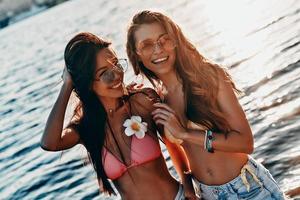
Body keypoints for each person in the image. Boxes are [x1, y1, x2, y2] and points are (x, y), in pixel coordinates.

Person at [126, 10, 286, 199]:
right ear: (136, 55)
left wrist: (186, 133)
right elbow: (176, 150)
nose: (158, 49)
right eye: (147, 45)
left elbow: (245, 142)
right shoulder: (157, 101)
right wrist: (187, 185)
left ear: (175, 40)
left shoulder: (209, 77)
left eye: (164, 39)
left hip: (248, 188)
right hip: (207, 194)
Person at [40, 32, 197, 199]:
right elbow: (50, 143)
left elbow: (176, 146)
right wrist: (67, 85)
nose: (116, 75)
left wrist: (189, 189)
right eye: (103, 73)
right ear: (87, 83)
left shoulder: (143, 101)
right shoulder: (85, 128)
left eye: (116, 64)